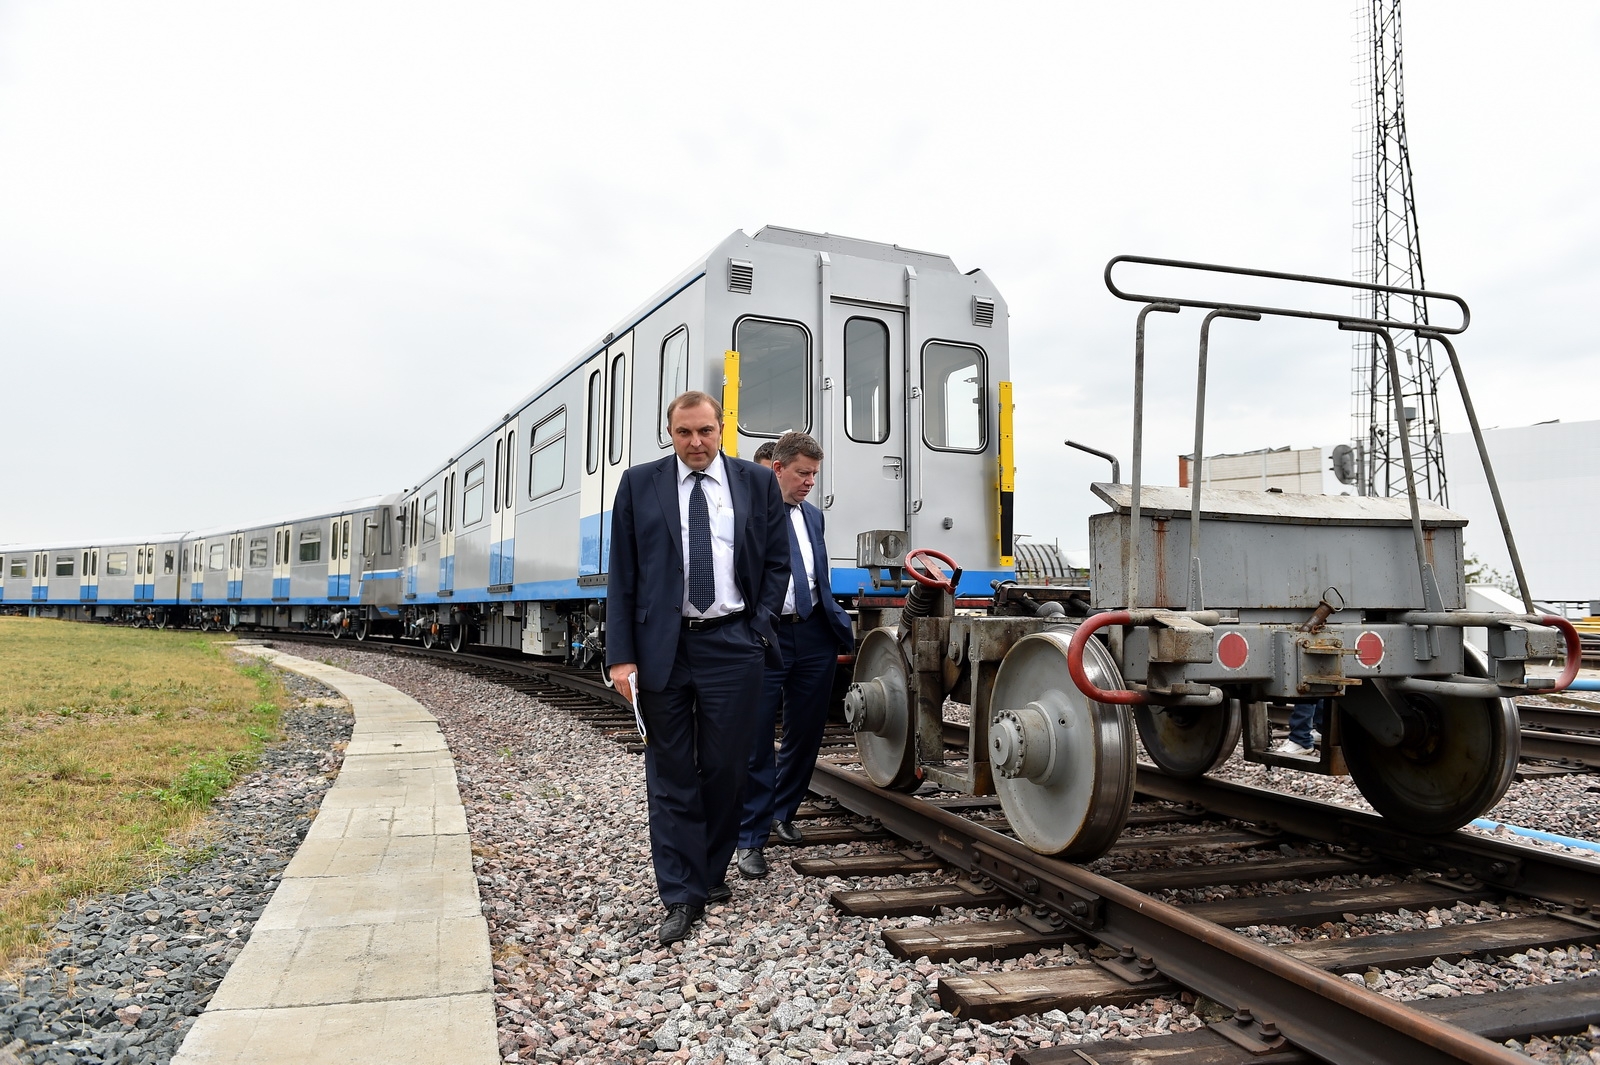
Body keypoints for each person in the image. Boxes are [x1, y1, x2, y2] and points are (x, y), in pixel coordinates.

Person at [606, 390, 790, 947]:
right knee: (669, 775)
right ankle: (681, 893)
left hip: (733, 643)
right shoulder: (639, 484)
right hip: (662, 647)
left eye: (705, 431)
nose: (695, 442)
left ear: (721, 428)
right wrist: (621, 656)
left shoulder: (755, 483)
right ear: (670, 433)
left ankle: (709, 872)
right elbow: (623, 574)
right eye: (684, 432)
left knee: (726, 769)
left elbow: (777, 561)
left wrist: (758, 628)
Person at [734, 432, 856, 878]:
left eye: (814, 475)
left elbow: (816, 573)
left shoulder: (813, 517)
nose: (809, 482)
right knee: (755, 739)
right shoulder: (746, 514)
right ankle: (750, 838)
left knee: (806, 733)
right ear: (778, 468)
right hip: (766, 637)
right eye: (803, 473)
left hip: (814, 633)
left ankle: (782, 812)